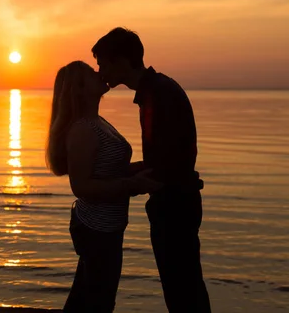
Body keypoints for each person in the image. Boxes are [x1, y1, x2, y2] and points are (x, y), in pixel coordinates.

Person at [92, 27, 212, 312]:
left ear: (121, 61)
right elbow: (162, 160)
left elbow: (167, 166)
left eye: (103, 64)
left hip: (174, 205)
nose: (100, 73)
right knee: (184, 288)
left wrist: (120, 183)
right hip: (175, 202)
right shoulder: (155, 91)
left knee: (183, 291)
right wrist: (123, 176)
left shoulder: (159, 94)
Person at [46, 60, 161, 313]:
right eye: (91, 74)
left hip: (106, 226)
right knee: (99, 300)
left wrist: (146, 168)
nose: (99, 73)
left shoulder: (97, 122)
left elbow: (110, 170)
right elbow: (81, 186)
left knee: (86, 298)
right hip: (96, 228)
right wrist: (132, 185)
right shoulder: (82, 130)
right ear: (79, 89)